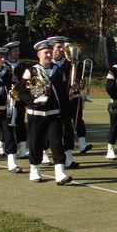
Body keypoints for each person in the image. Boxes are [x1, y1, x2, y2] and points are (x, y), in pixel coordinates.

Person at [16, 40, 72, 185]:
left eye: (50, 52)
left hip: (54, 113)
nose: (48, 55)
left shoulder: (58, 70)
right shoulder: (31, 71)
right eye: (45, 52)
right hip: (36, 114)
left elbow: (63, 94)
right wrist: (33, 101)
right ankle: (35, 170)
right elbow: (21, 93)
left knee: (56, 143)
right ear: (38, 54)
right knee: (36, 143)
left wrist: (66, 113)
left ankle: (60, 173)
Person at [48, 36, 80, 169]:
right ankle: (45, 154)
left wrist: (78, 84)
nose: (61, 50)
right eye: (58, 47)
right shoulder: (49, 65)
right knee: (49, 129)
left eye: (63, 47)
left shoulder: (69, 64)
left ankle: (69, 157)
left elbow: (75, 79)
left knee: (68, 127)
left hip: (67, 100)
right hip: (51, 102)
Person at [3, 41, 29, 158]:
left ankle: (23, 149)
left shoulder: (22, 66)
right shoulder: (4, 66)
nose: (17, 53)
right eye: (15, 51)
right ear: (9, 52)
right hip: (7, 99)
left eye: (18, 51)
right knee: (5, 124)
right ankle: (2, 145)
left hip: (19, 99)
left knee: (20, 123)